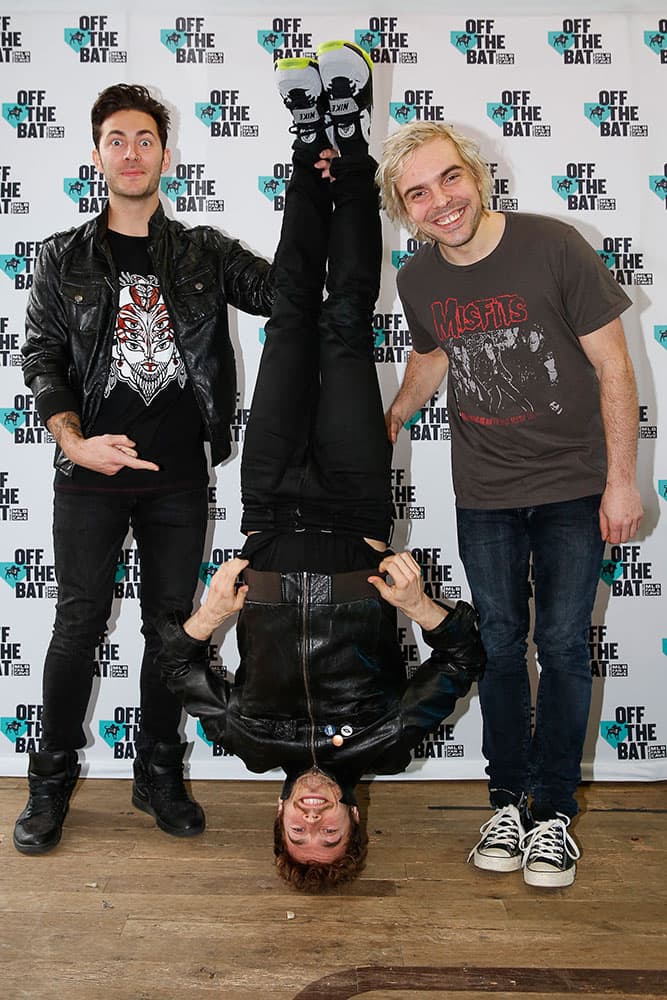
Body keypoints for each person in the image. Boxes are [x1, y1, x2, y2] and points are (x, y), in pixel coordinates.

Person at [157, 43, 486, 892]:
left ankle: (310, 146)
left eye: (299, 831)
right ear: (351, 822)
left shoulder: (248, 741)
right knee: (344, 321)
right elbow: (462, 661)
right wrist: (422, 606)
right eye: (328, 831)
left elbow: (177, 671)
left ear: (276, 820)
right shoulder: (389, 740)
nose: (312, 816)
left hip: (266, 505)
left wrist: (202, 623)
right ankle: (355, 143)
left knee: (291, 317)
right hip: (349, 505)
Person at [376, 121, 644, 888]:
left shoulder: (553, 245)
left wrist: (622, 480)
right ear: (405, 210)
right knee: (498, 644)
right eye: (417, 193)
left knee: (560, 646)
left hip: (571, 488)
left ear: (475, 175)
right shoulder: (418, 278)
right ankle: (506, 801)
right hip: (484, 493)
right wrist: (395, 414)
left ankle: (552, 812)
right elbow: (431, 355)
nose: (440, 201)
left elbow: (613, 367)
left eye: (448, 179)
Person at [14, 84, 275, 855]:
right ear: (96, 154)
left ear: (167, 153)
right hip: (90, 476)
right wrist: (72, 441)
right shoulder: (62, 257)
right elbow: (41, 357)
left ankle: (158, 771)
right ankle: (51, 779)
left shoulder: (204, 251)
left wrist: (324, 186)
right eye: (117, 140)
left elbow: (283, 292)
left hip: (177, 479)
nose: (132, 153)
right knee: (76, 627)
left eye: (145, 139)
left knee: (172, 630)